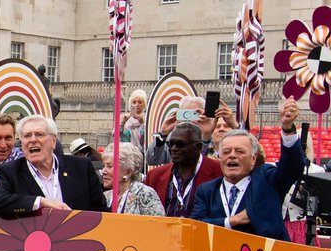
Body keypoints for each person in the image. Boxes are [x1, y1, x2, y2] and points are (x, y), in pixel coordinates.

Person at [192, 99, 306, 240]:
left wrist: (287, 128)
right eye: (226, 152)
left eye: (239, 151)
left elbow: (292, 167)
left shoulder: (266, 179)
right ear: (219, 157)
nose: (232, 155)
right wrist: (231, 221)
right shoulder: (206, 190)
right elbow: (196, 225)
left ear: (253, 159)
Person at [0, 115, 107, 218]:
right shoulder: (11, 171)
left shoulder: (81, 167)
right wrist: (40, 202)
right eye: (27, 136)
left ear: (53, 141)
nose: (33, 140)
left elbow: (101, 212)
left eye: (39, 134)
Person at [144, 121, 222, 217]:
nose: (174, 148)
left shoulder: (219, 172)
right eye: (171, 144)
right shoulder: (154, 176)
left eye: (180, 144)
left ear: (198, 147)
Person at [102, 144, 165, 215]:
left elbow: (157, 223)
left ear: (128, 172)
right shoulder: (105, 196)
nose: (103, 171)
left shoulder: (144, 194)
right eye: (103, 166)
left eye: (109, 166)